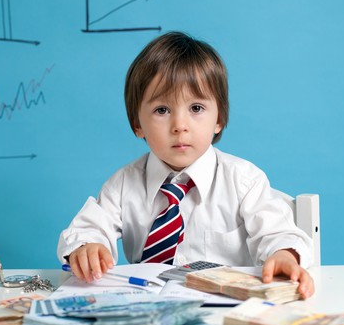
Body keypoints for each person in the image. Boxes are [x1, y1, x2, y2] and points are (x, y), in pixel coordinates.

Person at [57, 31, 315, 298]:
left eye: (196, 108)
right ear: (138, 124)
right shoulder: (123, 184)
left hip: (226, 308)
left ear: (219, 119)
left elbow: (276, 232)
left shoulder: (243, 180)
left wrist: (283, 254)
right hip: (148, 311)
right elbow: (88, 228)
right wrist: (87, 246)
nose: (180, 126)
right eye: (161, 110)